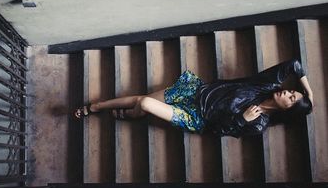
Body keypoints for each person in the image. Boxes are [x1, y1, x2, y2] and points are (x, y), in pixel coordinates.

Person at [73, 59, 313, 138]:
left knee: (145, 103)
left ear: (287, 110)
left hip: (196, 117)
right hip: (195, 92)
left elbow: (218, 131)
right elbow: (294, 64)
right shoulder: (265, 86)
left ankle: (131, 115)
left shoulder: (258, 124)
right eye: (292, 92)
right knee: (141, 98)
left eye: (292, 98)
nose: (288, 92)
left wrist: (242, 119)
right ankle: (96, 106)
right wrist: (308, 92)